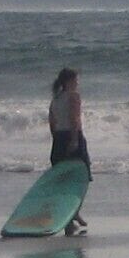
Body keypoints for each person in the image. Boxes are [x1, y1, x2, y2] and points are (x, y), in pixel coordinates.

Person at [48, 67, 90, 235]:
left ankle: (71, 215)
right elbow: (75, 118)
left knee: (63, 180)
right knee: (81, 177)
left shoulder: (56, 98)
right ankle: (73, 213)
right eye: (75, 79)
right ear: (68, 81)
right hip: (73, 137)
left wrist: (57, 139)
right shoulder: (74, 96)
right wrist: (73, 140)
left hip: (58, 139)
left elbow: (51, 121)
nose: (78, 82)